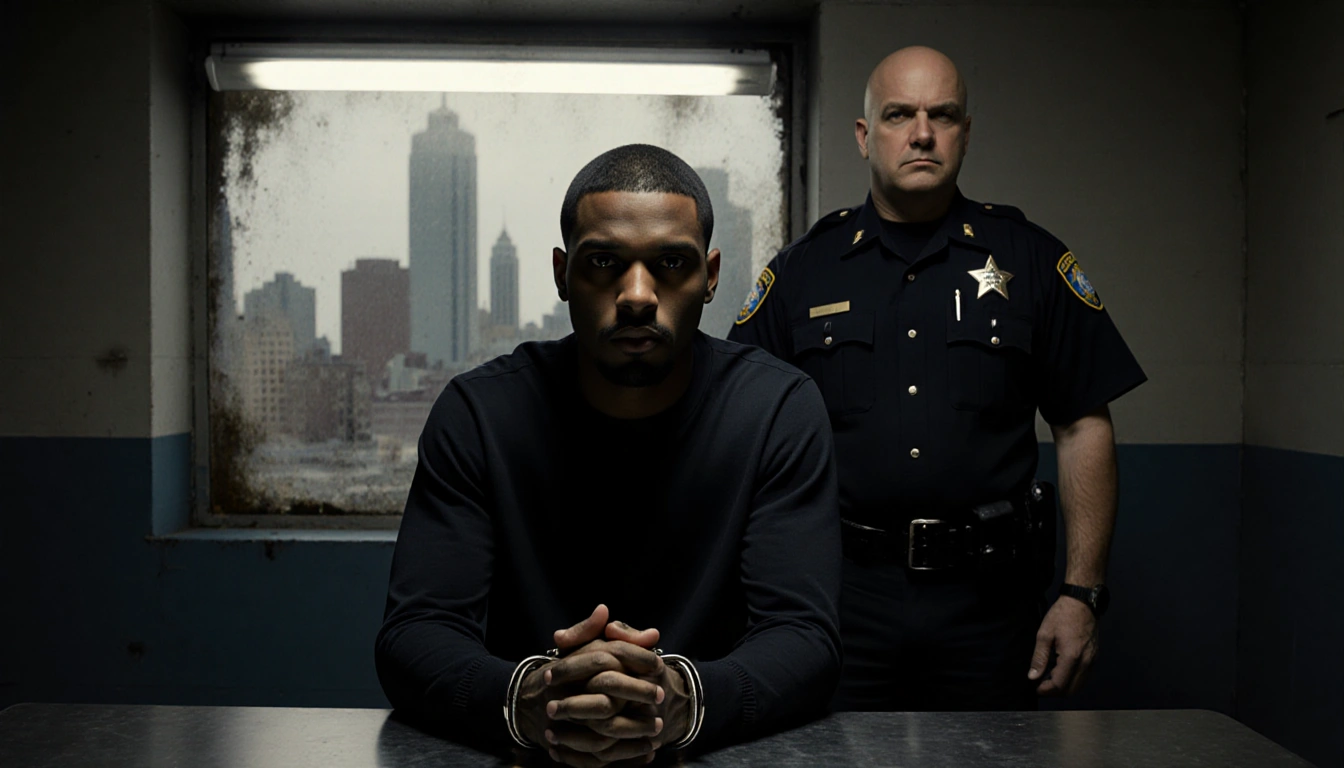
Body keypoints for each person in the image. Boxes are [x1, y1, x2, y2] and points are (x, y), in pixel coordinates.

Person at [375, 144, 842, 766]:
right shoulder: (480, 414)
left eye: (672, 262)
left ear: (710, 275)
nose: (638, 295)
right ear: (562, 273)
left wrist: (682, 697)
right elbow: (415, 634)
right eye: (604, 262)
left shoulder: (778, 409)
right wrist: (531, 698)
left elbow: (804, 637)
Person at [728, 46, 1146, 711]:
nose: (921, 133)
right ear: (865, 136)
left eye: (941, 115)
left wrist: (1080, 594)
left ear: (965, 133)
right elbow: (744, 437)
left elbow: (1082, 425)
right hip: (840, 601)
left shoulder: (1030, 260)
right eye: (898, 114)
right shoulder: (804, 273)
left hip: (991, 605)